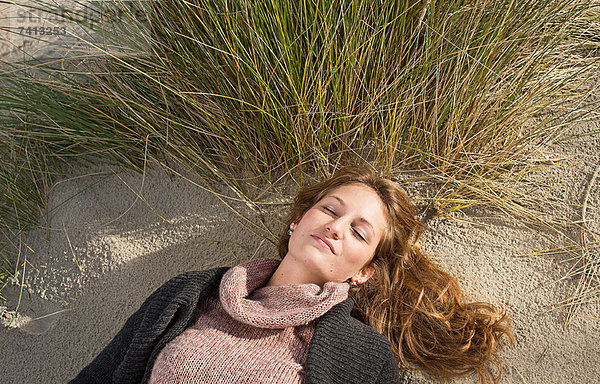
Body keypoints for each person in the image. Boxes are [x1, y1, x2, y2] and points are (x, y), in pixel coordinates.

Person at [69, 165, 513, 384]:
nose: (336, 227)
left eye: (359, 232)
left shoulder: (361, 357)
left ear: (364, 272)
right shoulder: (188, 294)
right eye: (329, 210)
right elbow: (100, 376)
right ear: (297, 221)